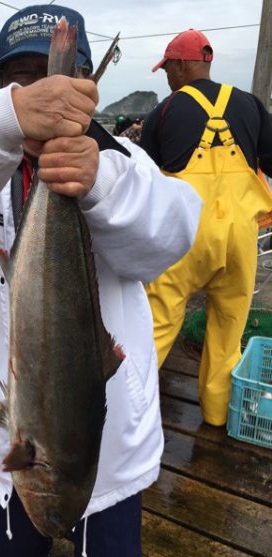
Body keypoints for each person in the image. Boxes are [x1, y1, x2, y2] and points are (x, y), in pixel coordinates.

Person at [0, 5, 202, 557]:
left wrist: (101, 182)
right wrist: (3, 121)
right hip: (1, 453)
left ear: (87, 81)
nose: (41, 90)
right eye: (18, 79)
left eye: (54, 73)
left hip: (105, 455)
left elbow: (173, 231)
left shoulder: (124, 161)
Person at [140, 29, 272, 427]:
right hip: (242, 238)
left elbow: (142, 180)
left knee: (157, 324)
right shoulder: (251, 105)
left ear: (181, 64)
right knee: (228, 326)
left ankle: (127, 413)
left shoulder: (163, 112)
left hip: (186, 235)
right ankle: (217, 416)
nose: (166, 77)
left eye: (167, 69)